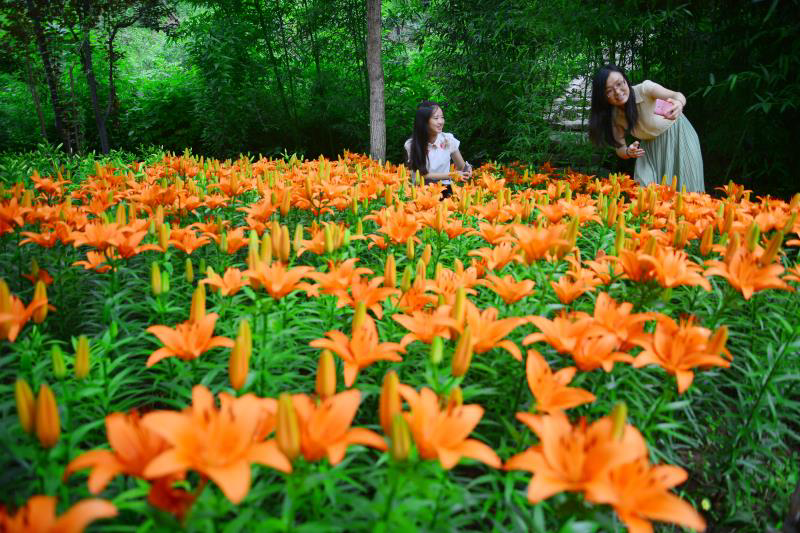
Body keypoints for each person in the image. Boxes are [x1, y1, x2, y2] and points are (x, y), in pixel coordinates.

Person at [589, 64, 705, 193]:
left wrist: (678, 103)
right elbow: (620, 147)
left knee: (686, 192)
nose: (617, 92)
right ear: (603, 97)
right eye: (609, 90)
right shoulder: (615, 116)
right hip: (649, 149)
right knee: (646, 194)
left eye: (619, 84)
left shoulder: (645, 89)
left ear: (626, 80)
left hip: (679, 137)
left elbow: (677, 95)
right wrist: (628, 151)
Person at [404, 100, 472, 198]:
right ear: (424, 121)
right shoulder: (412, 144)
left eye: (442, 117)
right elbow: (422, 175)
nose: (441, 122)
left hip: (445, 190)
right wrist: (453, 175)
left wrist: (467, 170)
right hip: (421, 191)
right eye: (436, 118)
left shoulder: (448, 139)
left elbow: (461, 167)